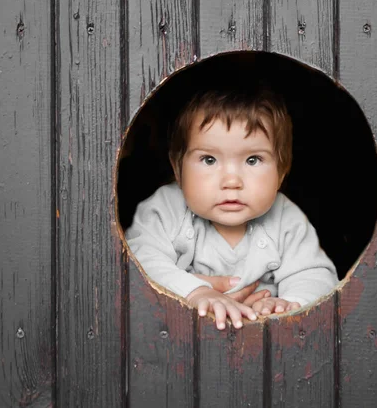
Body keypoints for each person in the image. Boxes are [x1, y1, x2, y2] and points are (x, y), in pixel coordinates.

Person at [125, 84, 338, 330]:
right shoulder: (165, 210)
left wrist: (287, 305)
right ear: (177, 168)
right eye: (209, 159)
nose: (231, 181)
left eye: (252, 160)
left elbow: (316, 275)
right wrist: (196, 292)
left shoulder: (285, 219)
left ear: (281, 172)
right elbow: (139, 263)